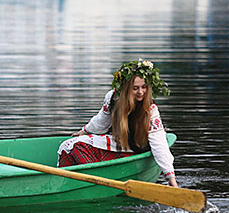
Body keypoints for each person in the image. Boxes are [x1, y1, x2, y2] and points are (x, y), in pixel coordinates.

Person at [57, 58, 178, 187]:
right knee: (68, 146)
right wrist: (83, 132)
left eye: (144, 87)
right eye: (135, 88)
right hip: (119, 143)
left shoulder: (150, 109)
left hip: (136, 149)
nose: (141, 92)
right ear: (126, 89)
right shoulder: (113, 97)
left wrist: (171, 179)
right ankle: (69, 185)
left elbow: (159, 144)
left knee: (77, 147)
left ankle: (94, 182)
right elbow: (101, 121)